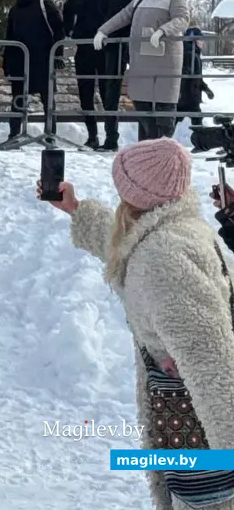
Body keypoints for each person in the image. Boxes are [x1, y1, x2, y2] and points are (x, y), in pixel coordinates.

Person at [40, 138, 234, 510]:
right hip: (191, 419)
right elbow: (126, 245)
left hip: (201, 428)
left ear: (138, 193)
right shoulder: (179, 228)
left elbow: (212, 362)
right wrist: (76, 209)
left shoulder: (164, 258)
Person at [94, 0, 189, 141]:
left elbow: (183, 19)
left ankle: (164, 151)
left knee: (163, 112)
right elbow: (125, 15)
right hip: (141, 61)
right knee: (142, 106)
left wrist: (163, 30)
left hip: (164, 63)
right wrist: (103, 31)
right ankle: (147, 150)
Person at [95, 0, 152, 150]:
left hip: (142, 41)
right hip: (115, 40)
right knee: (111, 88)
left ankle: (146, 140)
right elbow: (102, 7)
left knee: (144, 88)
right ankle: (111, 138)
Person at [2, 0, 64, 142]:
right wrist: (6, 62)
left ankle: (50, 134)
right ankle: (14, 134)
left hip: (43, 60)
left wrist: (58, 53)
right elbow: (9, 37)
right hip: (19, 62)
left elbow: (59, 29)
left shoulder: (45, 5)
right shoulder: (14, 10)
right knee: (17, 99)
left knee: (48, 99)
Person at [62, 0, 109, 147]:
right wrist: (68, 33)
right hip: (83, 46)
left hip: (104, 46)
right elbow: (67, 12)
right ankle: (92, 136)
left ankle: (110, 136)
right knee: (85, 93)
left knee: (107, 93)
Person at [176, 26, 214, 127]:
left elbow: (197, 78)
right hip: (189, 98)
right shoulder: (190, 54)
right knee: (197, 126)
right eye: (200, 40)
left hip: (187, 97)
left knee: (176, 121)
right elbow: (187, 76)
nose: (202, 43)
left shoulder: (193, 54)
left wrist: (206, 89)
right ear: (194, 41)